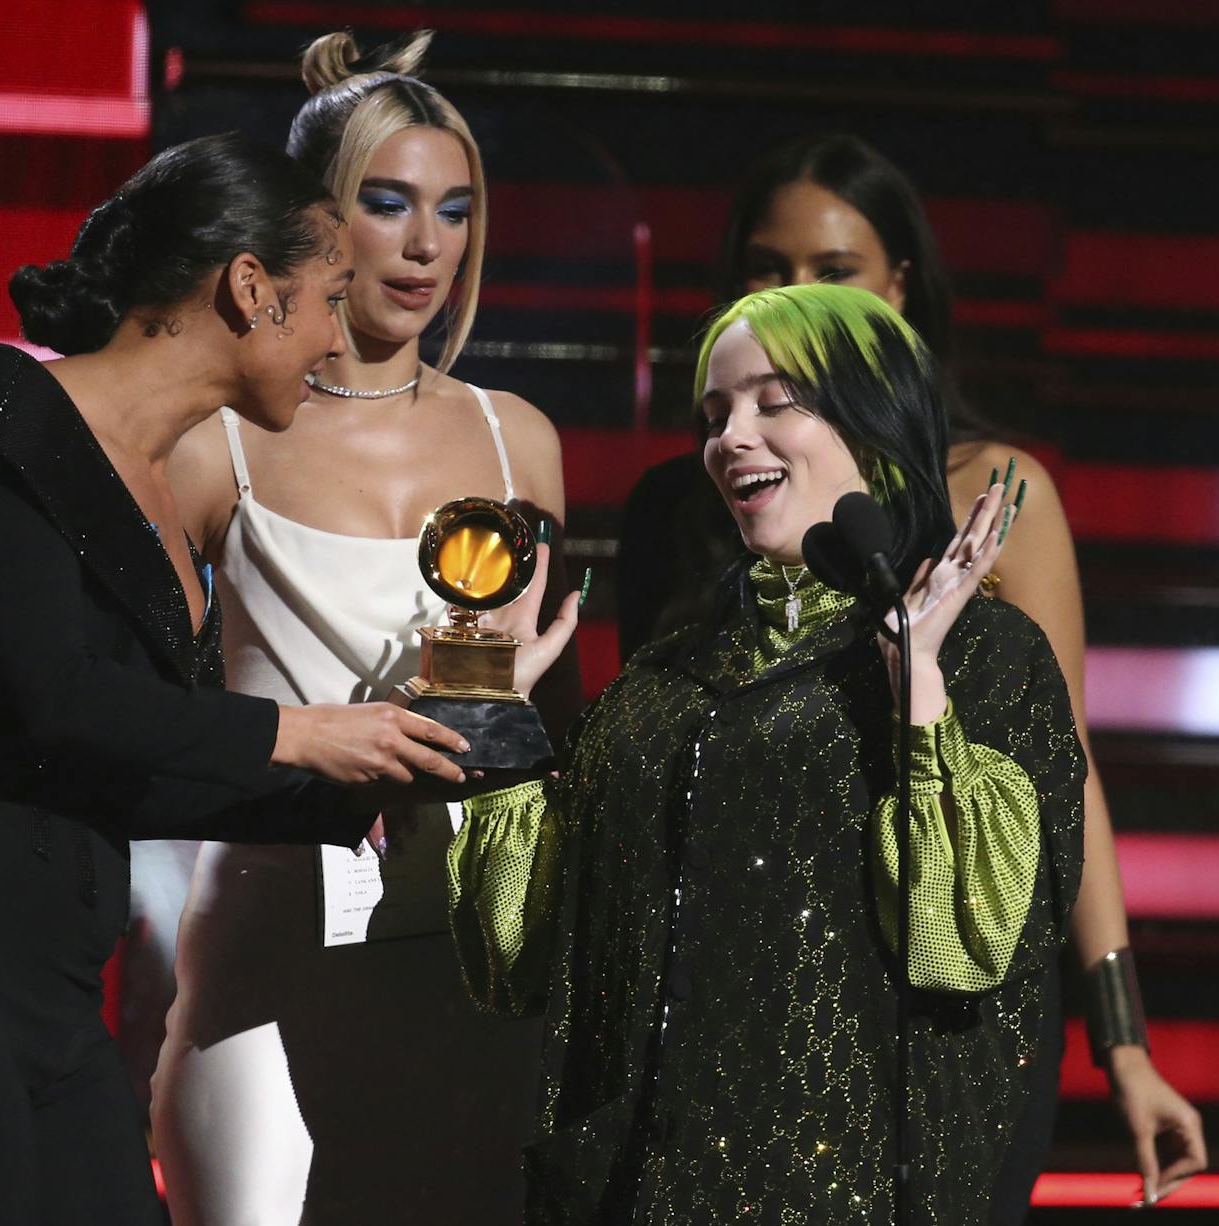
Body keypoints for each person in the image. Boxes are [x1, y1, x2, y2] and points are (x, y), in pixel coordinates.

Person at [0, 132, 472, 1226]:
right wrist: (299, 732)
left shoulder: (171, 495)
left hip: (53, 989)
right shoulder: (8, 414)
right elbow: (54, 695)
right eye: (328, 300)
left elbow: (135, 764)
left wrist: (364, 783)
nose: (337, 339)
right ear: (251, 288)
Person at [615, 133, 1206, 1214]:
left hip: (950, 1012)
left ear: (897, 285)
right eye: (767, 268)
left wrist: (1120, 1040)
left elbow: (1058, 766)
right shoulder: (684, 501)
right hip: (737, 1021)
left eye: (832, 272)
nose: (797, 293)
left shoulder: (994, 487)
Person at [452, 282, 1086, 1222]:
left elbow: (968, 944)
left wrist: (918, 696)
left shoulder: (987, 657)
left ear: (874, 422)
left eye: (774, 401)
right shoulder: (662, 684)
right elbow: (515, 962)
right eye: (715, 415)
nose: (730, 438)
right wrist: (495, 712)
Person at [151, 31, 578, 1226]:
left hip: (469, 940)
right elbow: (135, 712)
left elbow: (552, 724)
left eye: (452, 208)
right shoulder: (216, 439)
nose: (425, 243)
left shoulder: (517, 440)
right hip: (267, 927)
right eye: (387, 204)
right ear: (317, 217)